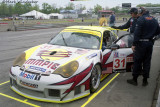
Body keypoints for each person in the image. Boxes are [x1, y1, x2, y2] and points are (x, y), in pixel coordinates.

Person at [127, 7, 160, 86]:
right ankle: (145, 80)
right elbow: (158, 32)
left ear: (141, 12)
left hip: (140, 44)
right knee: (147, 62)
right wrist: (154, 38)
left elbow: (137, 33)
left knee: (137, 61)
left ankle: (135, 79)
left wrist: (134, 44)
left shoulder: (141, 19)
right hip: (149, 44)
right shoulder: (154, 19)